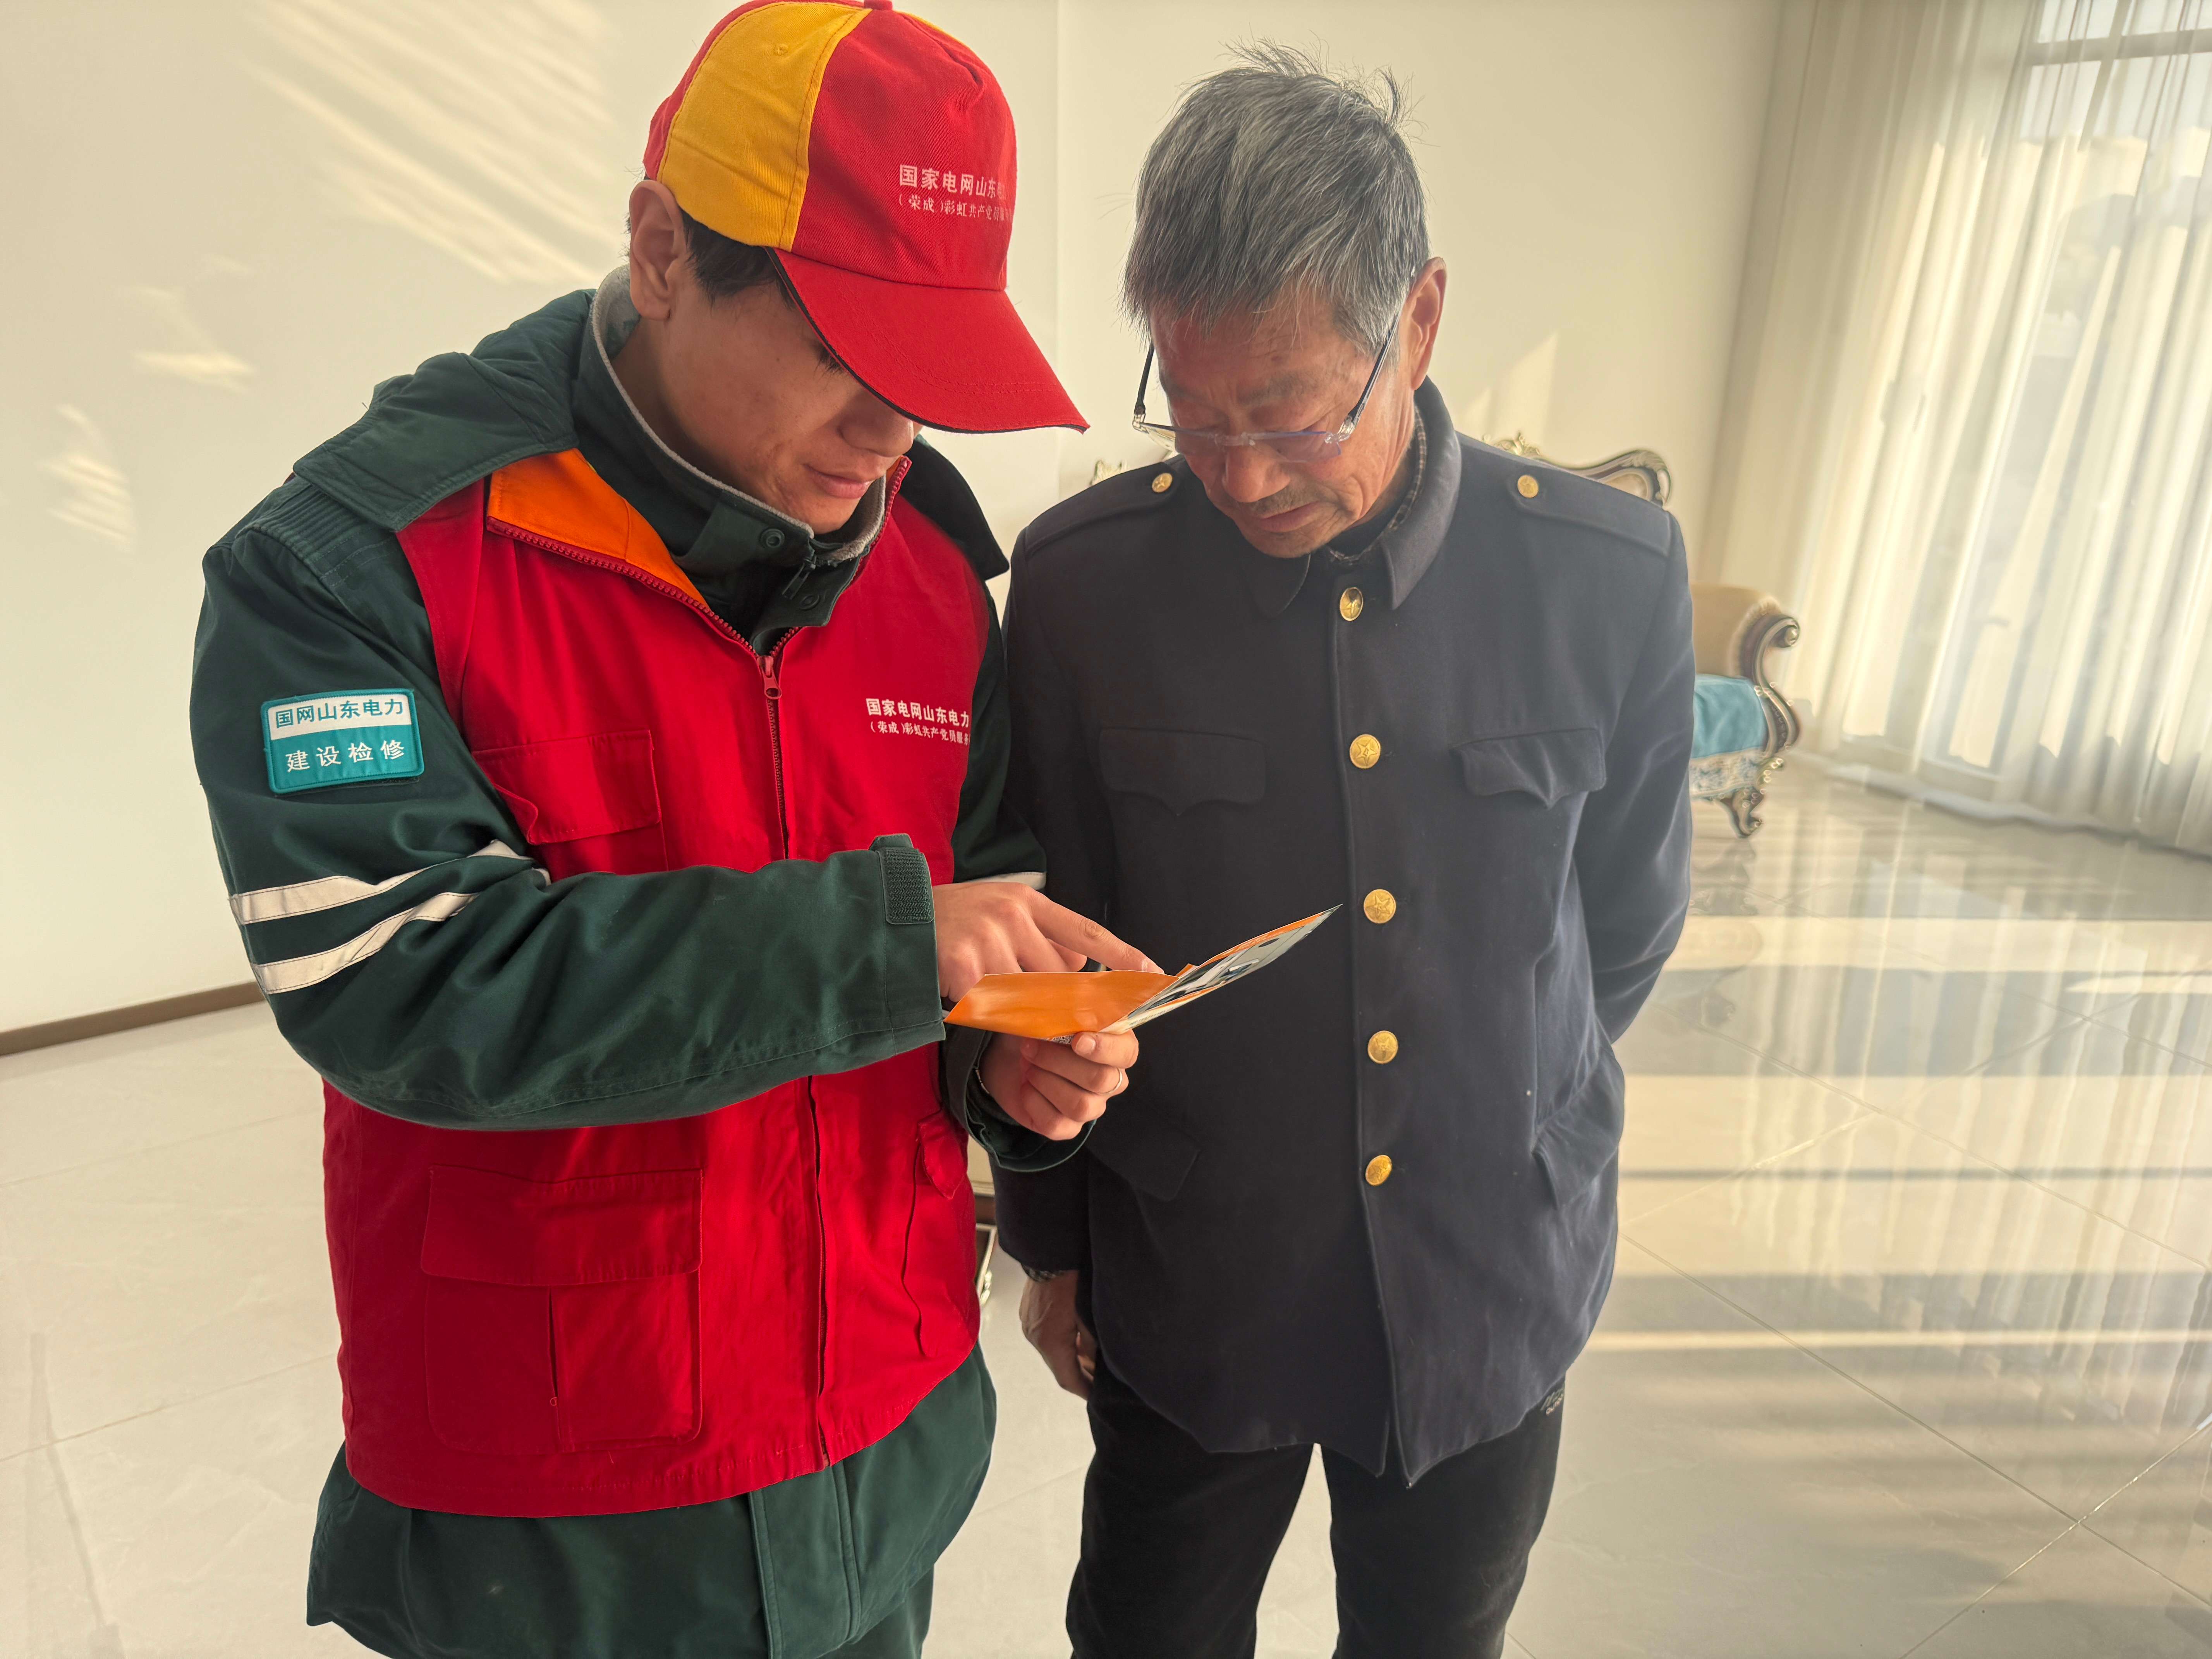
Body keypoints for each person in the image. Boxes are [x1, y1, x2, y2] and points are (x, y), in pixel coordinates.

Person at [186, 5, 1149, 1656]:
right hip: (567, 1522)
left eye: (930, 376)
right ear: (662, 250)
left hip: (883, 1452)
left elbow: (977, 924)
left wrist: (1007, 1064)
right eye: (847, 352)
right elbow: (396, 981)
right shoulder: (364, 564)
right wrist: (884, 943)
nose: (892, 431)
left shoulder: (929, 576)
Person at [994, 46, 1694, 1659]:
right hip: (1194, 1276)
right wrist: (1052, 1244)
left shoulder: (1602, 578)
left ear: (1420, 321)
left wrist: (1503, 1106)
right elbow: (1052, 950)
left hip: (1483, 1274)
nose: (1241, 474)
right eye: (1197, 417)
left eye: (1292, 418)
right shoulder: (1087, 588)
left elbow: (1624, 924)